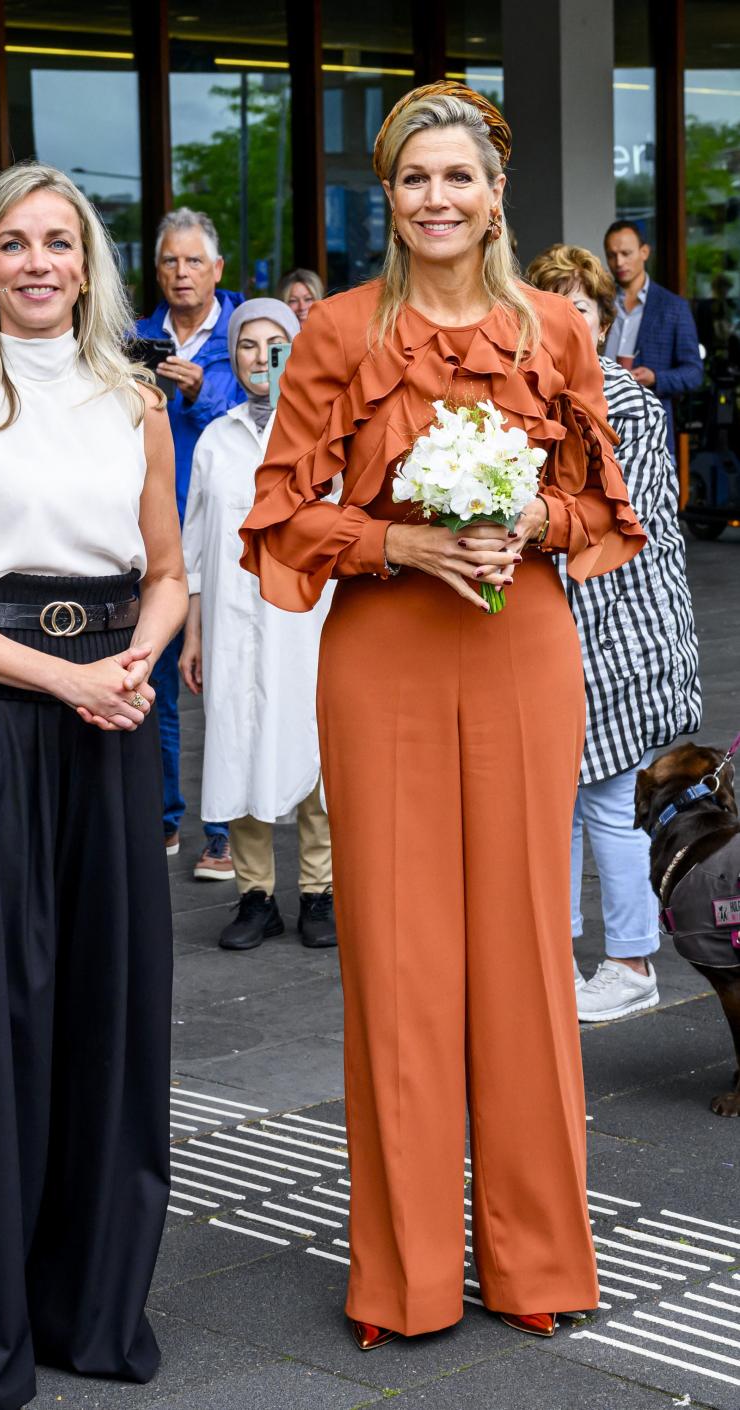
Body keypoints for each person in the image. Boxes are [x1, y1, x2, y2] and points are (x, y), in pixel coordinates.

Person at [241, 81, 645, 1349]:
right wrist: (400, 541)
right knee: (399, 961)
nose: (435, 199)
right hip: (383, 656)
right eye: (412, 179)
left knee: (525, 955)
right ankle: (403, 1278)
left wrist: (534, 520)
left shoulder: (557, 335)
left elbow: (603, 510)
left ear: (496, 191)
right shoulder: (340, 333)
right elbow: (280, 514)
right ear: (388, 195)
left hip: (522, 648)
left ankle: (534, 1261)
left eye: (456, 177)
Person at [0, 162, 185, 1406]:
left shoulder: (135, 403)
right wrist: (67, 682)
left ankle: (90, 1309)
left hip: (108, 718)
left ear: (90, 260)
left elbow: (167, 570)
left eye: (60, 241)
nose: (40, 263)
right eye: (15, 244)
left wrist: (137, 657)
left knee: (112, 1017)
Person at [526, 244, 701, 1020]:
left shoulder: (625, 406)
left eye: (581, 307)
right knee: (557, 802)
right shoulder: (538, 406)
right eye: (550, 306)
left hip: (624, 637)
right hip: (565, 637)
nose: (566, 320)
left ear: (602, 321)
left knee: (602, 798)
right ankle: (555, 960)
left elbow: (626, 522)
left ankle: (631, 964)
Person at [180, 298, 336, 951]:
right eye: (249, 344)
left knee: (311, 747)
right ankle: (255, 895)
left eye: (277, 343)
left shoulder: (324, 438)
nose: (261, 356)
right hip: (230, 622)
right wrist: (192, 633)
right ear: (234, 355)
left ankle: (320, 892)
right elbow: (192, 546)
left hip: (305, 621)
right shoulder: (216, 439)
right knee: (239, 745)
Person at [136, 208, 244, 879]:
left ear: (217, 269)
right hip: (152, 536)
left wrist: (203, 389)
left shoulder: (246, 333)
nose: (182, 273)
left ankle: (224, 831)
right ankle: (164, 817)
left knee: (226, 688)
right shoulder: (135, 337)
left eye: (194, 261)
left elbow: (268, 410)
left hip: (225, 538)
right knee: (156, 685)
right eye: (171, 262)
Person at [603, 220, 703, 456]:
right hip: (601, 422)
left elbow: (694, 372)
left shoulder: (673, 307)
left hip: (650, 430)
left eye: (626, 253)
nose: (619, 262)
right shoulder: (601, 301)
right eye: (612, 255)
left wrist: (656, 378)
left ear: (644, 252)